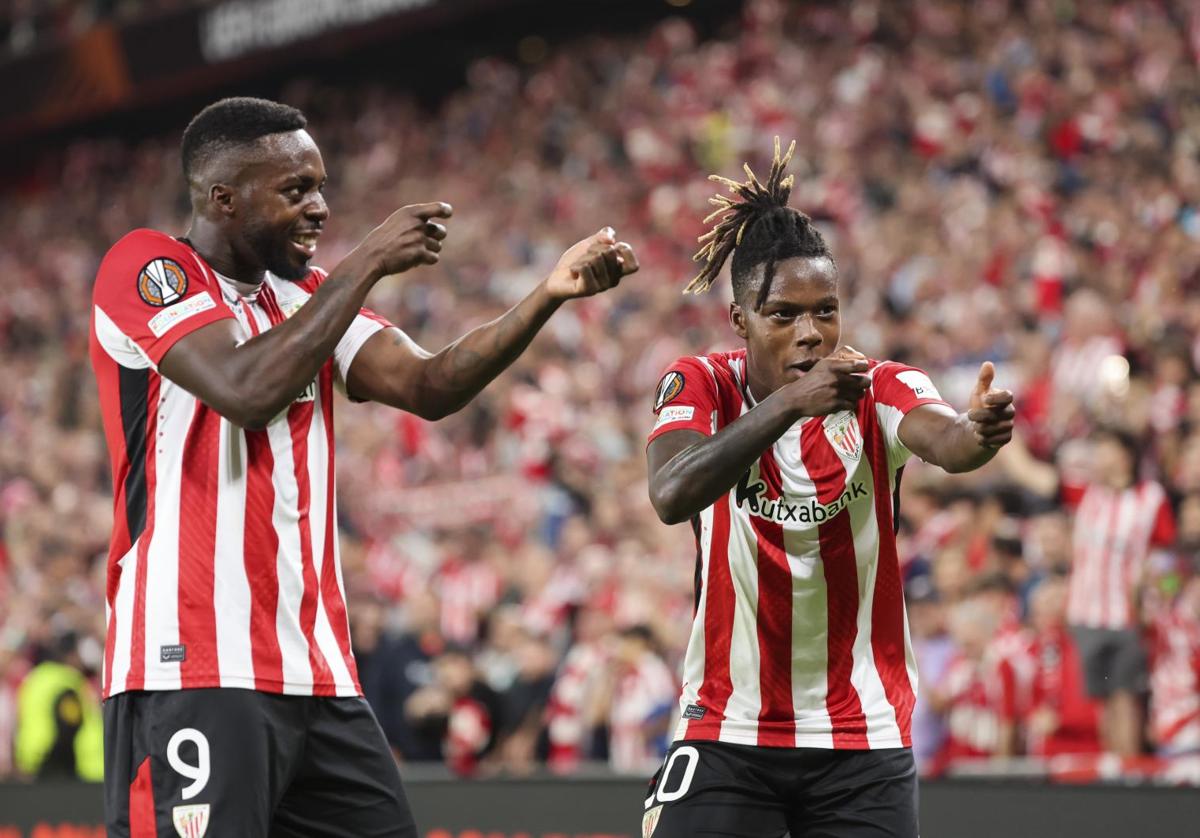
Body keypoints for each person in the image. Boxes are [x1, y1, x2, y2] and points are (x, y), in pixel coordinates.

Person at [89, 96, 638, 837]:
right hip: (193, 663)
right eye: (295, 191)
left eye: (319, 187)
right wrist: (371, 259)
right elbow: (245, 389)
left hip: (317, 672)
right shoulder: (148, 265)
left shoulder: (306, 298)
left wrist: (545, 296)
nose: (318, 208)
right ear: (222, 198)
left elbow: (429, 384)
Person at [642, 139, 1014, 838]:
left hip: (861, 736)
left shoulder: (880, 386)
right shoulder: (702, 384)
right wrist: (789, 403)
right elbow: (670, 494)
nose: (811, 333)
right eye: (784, 315)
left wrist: (979, 433)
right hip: (730, 725)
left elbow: (947, 439)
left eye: (826, 311)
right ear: (741, 320)